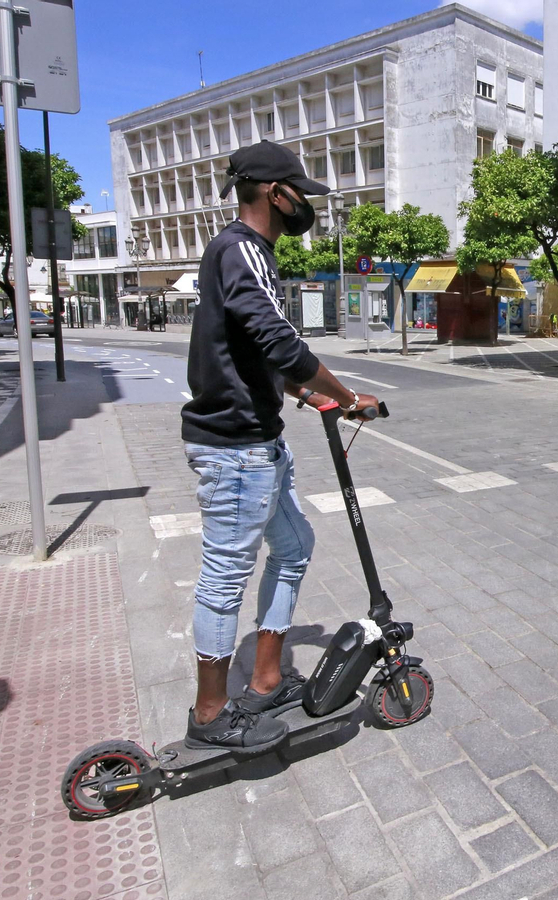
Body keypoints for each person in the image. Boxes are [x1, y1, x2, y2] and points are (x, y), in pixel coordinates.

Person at [181, 141, 380, 752]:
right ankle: (212, 715)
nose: (305, 205)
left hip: (258, 444)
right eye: (300, 192)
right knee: (225, 575)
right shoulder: (241, 249)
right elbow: (277, 340)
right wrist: (344, 395)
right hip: (236, 449)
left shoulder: (243, 251)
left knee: (294, 546)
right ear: (275, 193)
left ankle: (266, 678)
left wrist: (299, 391)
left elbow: (247, 351)